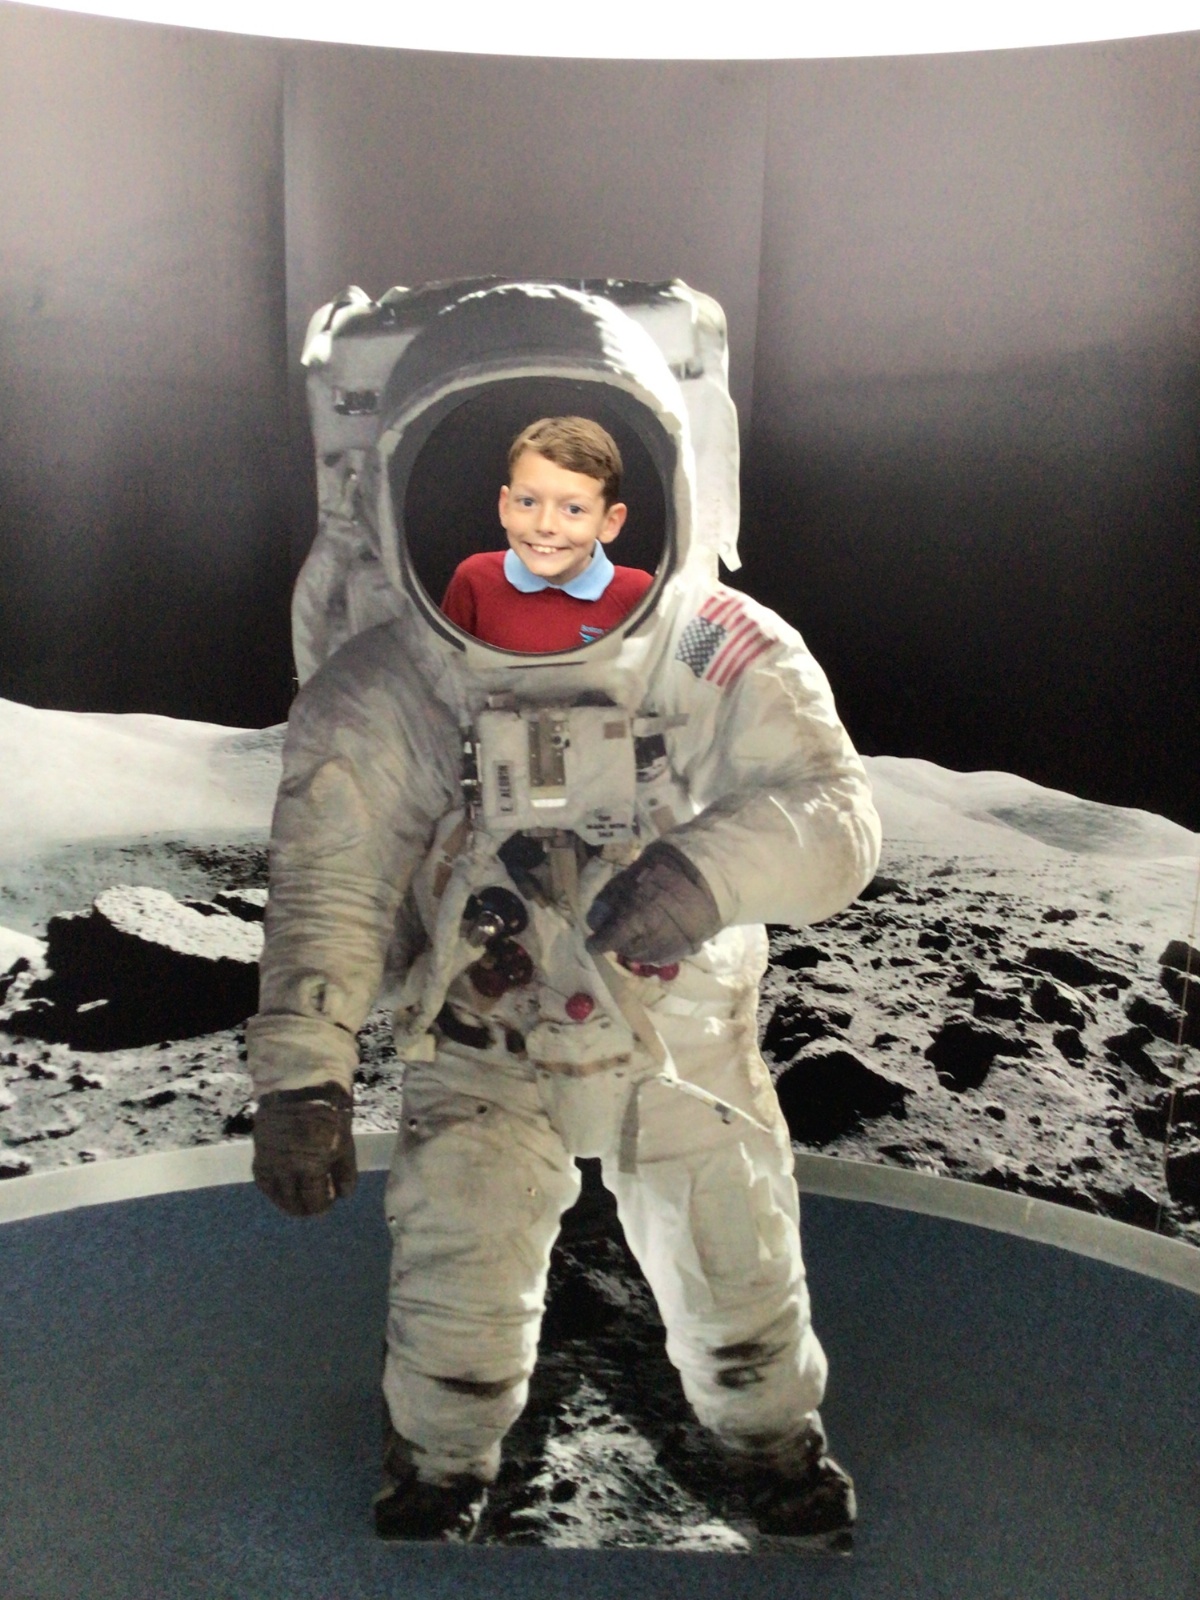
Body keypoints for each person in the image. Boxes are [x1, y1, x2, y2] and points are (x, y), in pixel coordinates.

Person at [247, 279, 882, 1550]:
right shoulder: (398, 680)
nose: (549, 526)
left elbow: (834, 816)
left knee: (738, 1265)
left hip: (674, 1032)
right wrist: (304, 1075)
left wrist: (703, 878)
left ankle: (772, 1444)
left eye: (576, 499)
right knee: (459, 1275)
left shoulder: (703, 644)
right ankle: (439, 1466)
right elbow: (333, 881)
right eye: (520, 494)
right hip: (482, 1038)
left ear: (635, 497)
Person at [439, 416, 652, 652]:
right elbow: (439, 668)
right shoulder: (474, 580)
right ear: (505, 507)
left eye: (574, 509)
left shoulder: (640, 594)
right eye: (528, 502)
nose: (545, 525)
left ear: (609, 523)